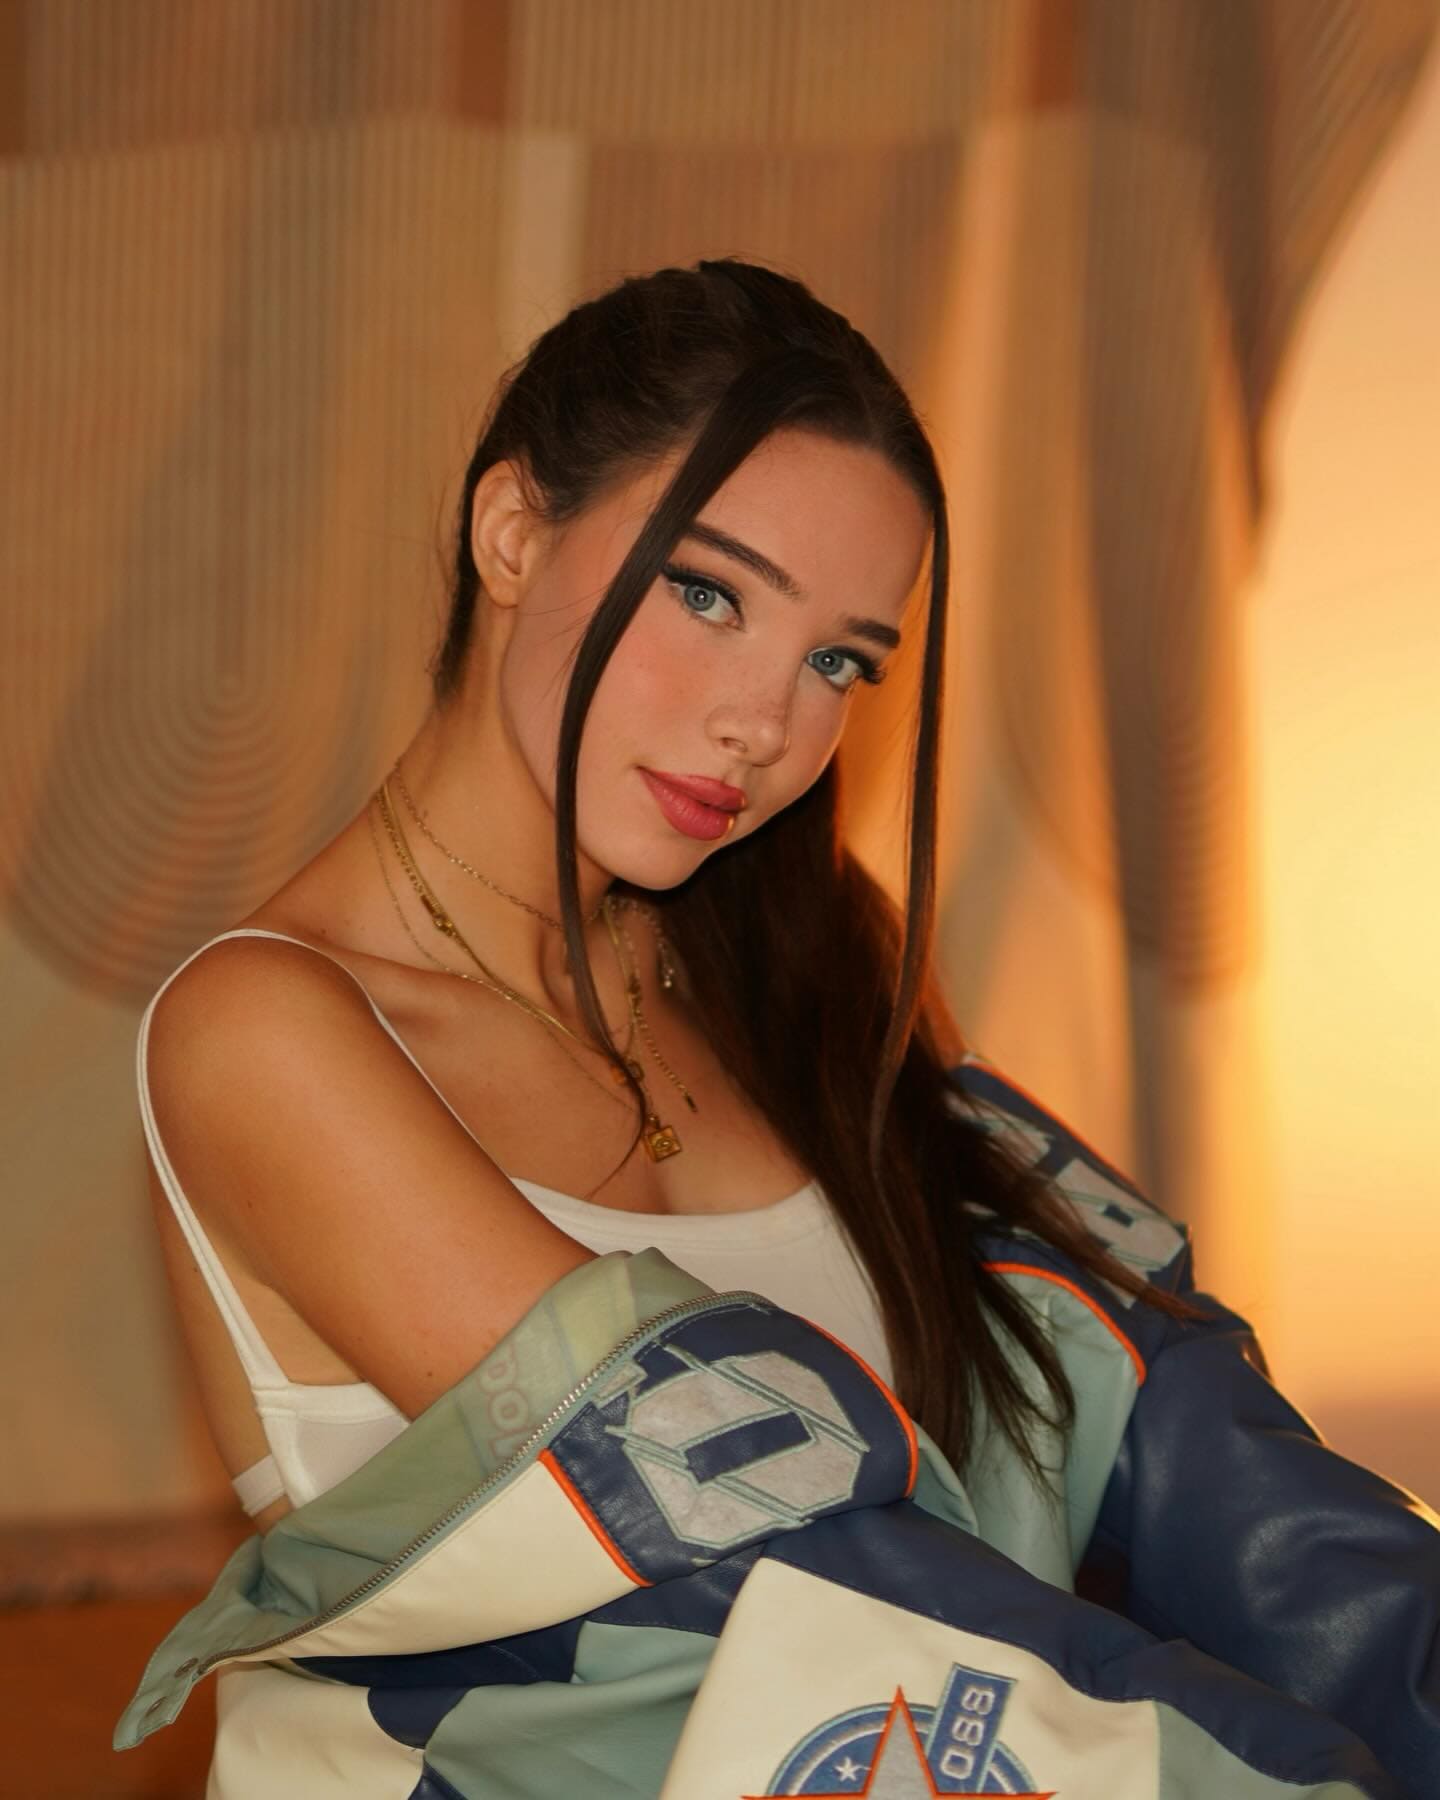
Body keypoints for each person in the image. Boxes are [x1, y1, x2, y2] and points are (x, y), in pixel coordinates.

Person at [119, 260, 1438, 1797]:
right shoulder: (265, 1030)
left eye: (838, 662)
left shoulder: (797, 975)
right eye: (708, 594)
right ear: (513, 532)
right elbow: (765, 1550)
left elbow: (1184, 1436)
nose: (767, 723)